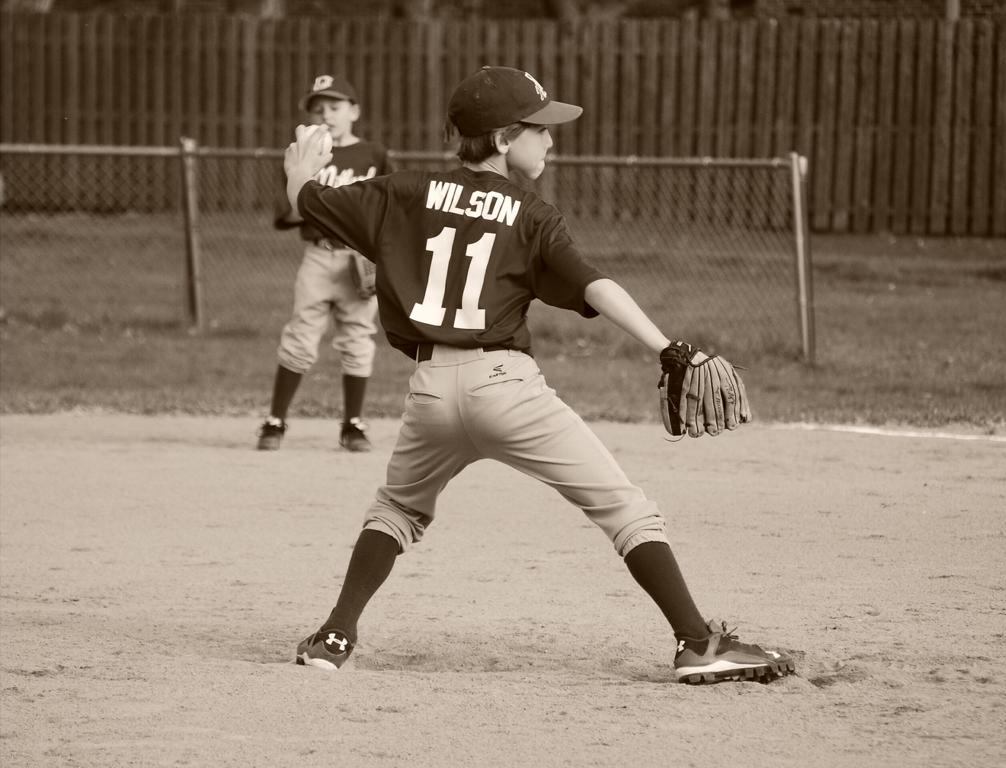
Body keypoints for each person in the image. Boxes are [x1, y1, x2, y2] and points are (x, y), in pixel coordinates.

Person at [283, 66, 796, 684]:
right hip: (506, 388)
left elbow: (307, 201)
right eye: (539, 129)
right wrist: (668, 347)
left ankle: (334, 637)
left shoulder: (403, 191)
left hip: (430, 391)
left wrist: (300, 170)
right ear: (504, 139)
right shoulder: (532, 214)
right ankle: (696, 643)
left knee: (396, 508)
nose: (550, 140)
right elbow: (594, 285)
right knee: (625, 508)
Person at [257, 74, 392, 452]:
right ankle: (275, 421)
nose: (326, 115)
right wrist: (307, 188)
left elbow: (391, 208)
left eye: (335, 107)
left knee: (358, 339)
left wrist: (379, 253)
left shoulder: (374, 154)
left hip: (359, 259)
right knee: (300, 336)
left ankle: (353, 425)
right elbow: (287, 214)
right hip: (318, 257)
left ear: (354, 111)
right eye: (318, 109)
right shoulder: (304, 155)